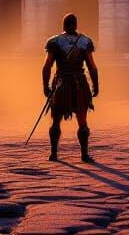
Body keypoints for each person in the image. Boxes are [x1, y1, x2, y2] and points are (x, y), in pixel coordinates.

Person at [41, 12, 99, 163]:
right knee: (82, 121)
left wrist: (45, 87)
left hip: (61, 84)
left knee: (56, 120)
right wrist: (96, 85)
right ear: (76, 24)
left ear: (63, 25)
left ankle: (53, 154)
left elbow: (47, 67)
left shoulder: (54, 41)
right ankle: (84, 155)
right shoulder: (85, 42)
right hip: (80, 84)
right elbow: (92, 68)